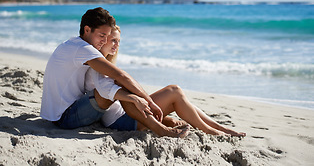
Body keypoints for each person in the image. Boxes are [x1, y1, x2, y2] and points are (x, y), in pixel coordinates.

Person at [40, 7, 187, 138]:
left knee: (115, 87)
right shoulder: (84, 49)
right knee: (117, 83)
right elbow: (120, 75)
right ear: (86, 30)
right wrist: (148, 101)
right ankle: (160, 129)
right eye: (102, 35)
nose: (105, 41)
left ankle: (164, 121)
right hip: (65, 118)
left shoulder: (72, 44)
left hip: (55, 114)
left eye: (107, 36)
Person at [85, 25, 246, 137]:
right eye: (113, 40)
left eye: (118, 42)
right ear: (103, 39)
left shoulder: (106, 63)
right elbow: (107, 91)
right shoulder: (97, 64)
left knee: (180, 99)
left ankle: (218, 127)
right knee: (174, 91)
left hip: (128, 116)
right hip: (122, 121)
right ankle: (211, 130)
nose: (116, 45)